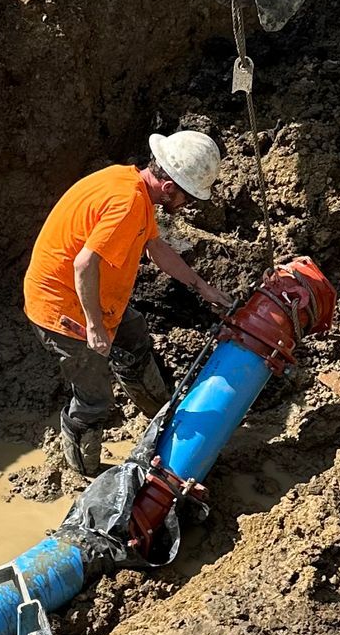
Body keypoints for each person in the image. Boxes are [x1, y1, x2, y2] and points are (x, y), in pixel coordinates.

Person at [24, 131, 231, 477]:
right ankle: (84, 470)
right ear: (169, 187)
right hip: (63, 309)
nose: (189, 205)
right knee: (94, 398)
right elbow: (84, 264)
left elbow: (155, 246)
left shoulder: (131, 184)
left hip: (95, 298)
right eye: (189, 197)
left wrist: (202, 286)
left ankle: (161, 416)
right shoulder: (127, 204)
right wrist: (94, 326)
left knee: (134, 335)